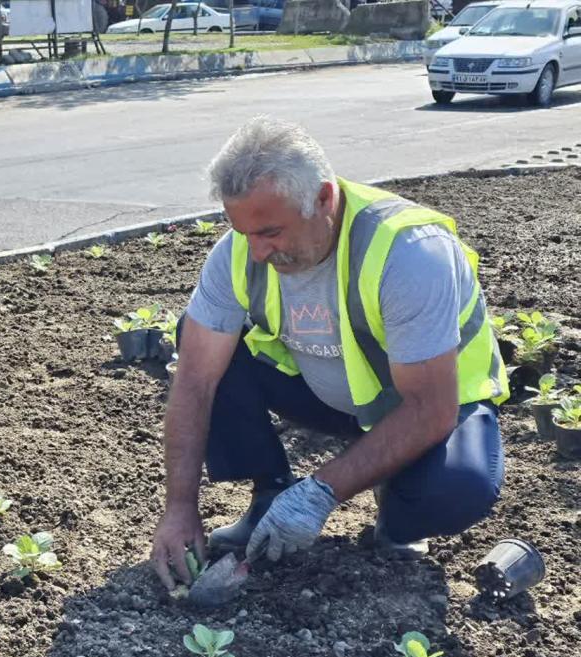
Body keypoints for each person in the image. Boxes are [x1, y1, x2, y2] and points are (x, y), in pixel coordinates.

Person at [151, 117, 508, 591]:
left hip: (430, 404)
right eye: (244, 232)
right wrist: (179, 508)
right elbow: (196, 381)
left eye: (271, 232)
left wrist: (320, 492)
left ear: (323, 198)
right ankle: (270, 494)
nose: (256, 252)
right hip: (330, 398)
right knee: (201, 338)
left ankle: (397, 509)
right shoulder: (238, 252)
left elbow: (430, 408)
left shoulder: (408, 253)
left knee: (455, 490)